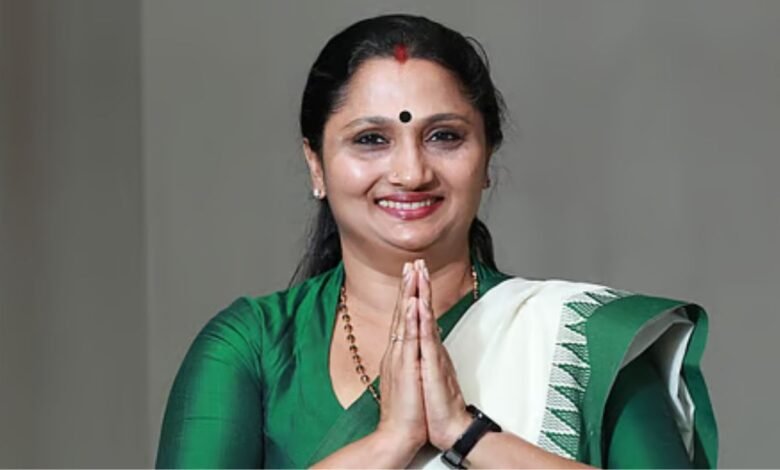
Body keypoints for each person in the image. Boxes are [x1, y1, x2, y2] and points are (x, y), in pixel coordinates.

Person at [155, 14, 717, 469]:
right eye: (371, 139)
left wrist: (467, 435)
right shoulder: (252, 349)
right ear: (316, 165)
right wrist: (389, 444)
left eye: (444, 136)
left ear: (487, 158)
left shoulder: (586, 343)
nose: (410, 172)